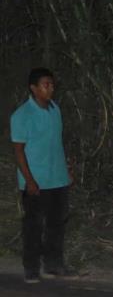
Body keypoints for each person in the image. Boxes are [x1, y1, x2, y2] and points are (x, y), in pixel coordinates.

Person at [11, 68, 75, 283]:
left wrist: (66, 171)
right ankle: (31, 268)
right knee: (34, 225)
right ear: (33, 88)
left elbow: (56, 143)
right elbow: (18, 150)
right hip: (36, 179)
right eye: (46, 85)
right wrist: (29, 179)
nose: (51, 88)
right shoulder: (22, 115)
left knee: (57, 223)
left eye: (52, 84)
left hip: (57, 177)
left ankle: (54, 264)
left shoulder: (55, 109)